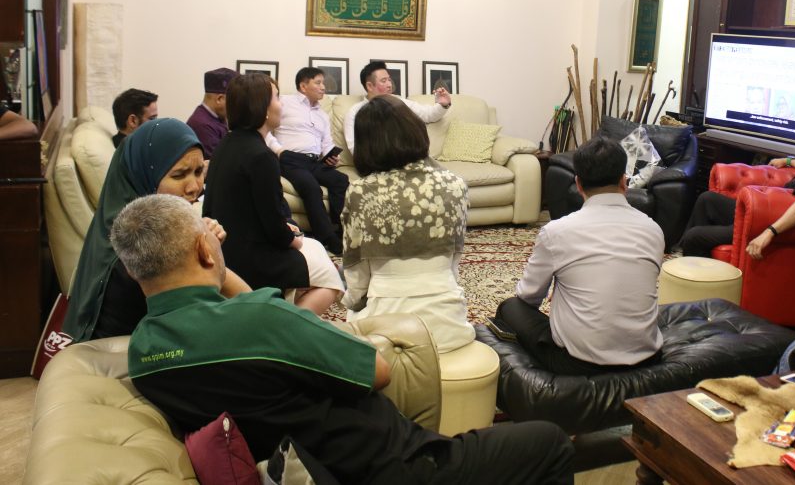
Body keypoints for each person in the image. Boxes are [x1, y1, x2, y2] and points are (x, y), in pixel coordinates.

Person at [113, 193, 576, 484]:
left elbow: (237, 319)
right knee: (550, 441)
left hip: (308, 464)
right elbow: (378, 371)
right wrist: (217, 259)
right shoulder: (263, 319)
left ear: (135, 271)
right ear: (202, 249)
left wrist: (213, 260)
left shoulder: (144, 352)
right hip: (393, 465)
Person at [63, 118, 251, 341]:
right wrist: (208, 250)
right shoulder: (140, 241)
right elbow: (241, 305)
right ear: (144, 175)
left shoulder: (124, 216)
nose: (194, 187)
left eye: (199, 171)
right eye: (179, 175)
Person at [495, 136, 664, 376]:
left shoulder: (556, 232)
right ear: (623, 181)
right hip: (648, 357)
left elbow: (529, 297)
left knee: (511, 308)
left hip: (578, 363)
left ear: (578, 183)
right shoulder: (653, 229)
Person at [342, 96, 474, 353]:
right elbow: (453, 262)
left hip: (386, 334)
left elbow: (357, 277)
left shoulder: (361, 191)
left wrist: (352, 304)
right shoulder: (455, 184)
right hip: (450, 326)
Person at [203, 72, 342, 316]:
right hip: (251, 259)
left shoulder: (228, 144)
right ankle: (282, 326)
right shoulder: (261, 156)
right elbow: (274, 227)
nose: (281, 105)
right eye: (277, 98)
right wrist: (293, 239)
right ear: (263, 109)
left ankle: (282, 305)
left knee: (314, 249)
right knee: (331, 280)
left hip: (228, 249)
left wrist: (288, 230)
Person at [678, 114, 795, 259]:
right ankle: (693, 259)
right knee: (707, 199)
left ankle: (693, 266)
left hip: (764, 223)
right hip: (763, 214)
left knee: (695, 236)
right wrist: (787, 161)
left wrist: (770, 231)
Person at [266, 67, 349, 255]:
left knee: (341, 180)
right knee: (311, 187)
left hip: (315, 162)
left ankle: (341, 230)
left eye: (323, 83)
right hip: (291, 159)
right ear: (303, 86)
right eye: (318, 83)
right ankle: (327, 239)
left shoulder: (323, 115)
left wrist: (331, 156)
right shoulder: (284, 102)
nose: (323, 87)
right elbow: (265, 127)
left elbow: (326, 143)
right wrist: (279, 151)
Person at [344, 60, 450, 152]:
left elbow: (428, 115)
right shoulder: (355, 112)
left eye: (389, 80)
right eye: (383, 81)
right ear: (369, 86)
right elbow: (355, 149)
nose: (389, 85)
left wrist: (443, 104)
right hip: (375, 164)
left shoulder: (399, 102)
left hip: (405, 160)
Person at [185, 67, 237, 159]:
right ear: (219, 99)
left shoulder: (217, 118)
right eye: (234, 100)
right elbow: (221, 162)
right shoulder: (202, 126)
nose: (236, 106)